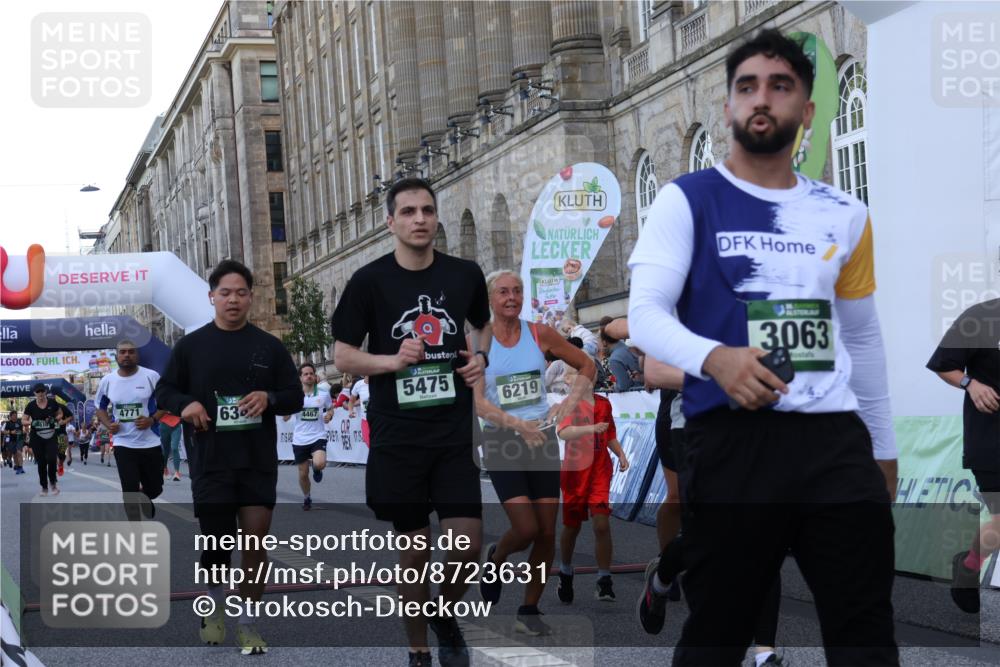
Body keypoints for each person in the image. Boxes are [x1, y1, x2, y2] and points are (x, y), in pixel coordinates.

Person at [627, 30, 898, 665]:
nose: (761, 98)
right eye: (746, 86)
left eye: (780, 86)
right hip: (734, 443)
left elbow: (861, 334)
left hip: (835, 443)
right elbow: (645, 316)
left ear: (806, 110)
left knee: (865, 630)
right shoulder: (687, 200)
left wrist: (882, 449)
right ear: (727, 107)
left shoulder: (845, 213)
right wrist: (716, 359)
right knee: (720, 628)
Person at [332, 177, 491, 667]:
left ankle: (443, 611)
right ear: (390, 222)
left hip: (452, 432)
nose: (419, 219)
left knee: (466, 543)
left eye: (426, 210)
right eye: (408, 212)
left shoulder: (465, 274)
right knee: (415, 553)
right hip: (398, 435)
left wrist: (479, 356)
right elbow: (342, 355)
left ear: (436, 216)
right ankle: (419, 650)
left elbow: (480, 325)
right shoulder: (368, 281)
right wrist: (391, 362)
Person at [155, 259, 301, 656]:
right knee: (218, 545)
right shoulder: (191, 346)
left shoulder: (268, 346)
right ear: (211, 297)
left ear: (251, 298)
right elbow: (164, 393)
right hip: (211, 460)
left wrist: (268, 397)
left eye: (240, 293)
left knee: (255, 542)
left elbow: (295, 394)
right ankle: (214, 602)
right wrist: (186, 405)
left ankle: (249, 623)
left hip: (255, 460)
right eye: (225, 293)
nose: (233, 300)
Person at [473, 269, 596, 635]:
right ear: (490, 299)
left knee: (546, 533)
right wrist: (519, 426)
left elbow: (588, 364)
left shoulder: (540, 334)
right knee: (524, 528)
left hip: (541, 439)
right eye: (503, 292)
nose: (511, 297)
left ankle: (529, 610)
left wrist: (568, 403)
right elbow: (479, 404)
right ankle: (496, 556)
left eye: (517, 291)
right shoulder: (479, 341)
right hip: (503, 440)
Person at [927, 297, 1000, 614]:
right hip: (991, 438)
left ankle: (968, 563)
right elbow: (944, 364)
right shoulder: (982, 317)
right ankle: (969, 566)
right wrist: (971, 384)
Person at [556, 365, 629, 603]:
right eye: (580, 371)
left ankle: (604, 579)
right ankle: (565, 571)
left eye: (591, 371)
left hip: (599, 469)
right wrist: (590, 428)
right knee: (572, 527)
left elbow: (609, 435)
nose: (588, 375)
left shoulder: (604, 404)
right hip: (575, 472)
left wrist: (620, 454)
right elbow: (563, 433)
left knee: (601, 523)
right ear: (570, 379)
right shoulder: (569, 403)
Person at [95, 339, 166, 522]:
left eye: (131, 352)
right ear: (117, 356)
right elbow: (100, 407)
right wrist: (109, 425)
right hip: (123, 443)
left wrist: (152, 419)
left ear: (137, 355)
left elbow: (165, 403)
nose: (127, 355)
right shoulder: (108, 381)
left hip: (151, 441)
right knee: (129, 489)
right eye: (123, 352)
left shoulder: (151, 376)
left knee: (156, 488)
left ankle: (145, 496)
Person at [284, 362, 334, 510]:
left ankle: (317, 468)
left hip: (318, 436)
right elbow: (286, 416)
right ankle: (307, 497)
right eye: (305, 374)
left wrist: (329, 416)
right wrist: (285, 412)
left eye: (311, 373)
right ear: (300, 378)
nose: (309, 376)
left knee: (319, 463)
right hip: (299, 439)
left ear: (315, 376)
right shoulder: (295, 396)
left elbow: (330, 409)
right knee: (303, 473)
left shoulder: (324, 394)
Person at [22, 385, 62, 496]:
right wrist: (32, 422)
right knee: (42, 463)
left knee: (52, 459)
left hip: (51, 436)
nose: (40, 393)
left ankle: (53, 484)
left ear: (45, 392)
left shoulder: (52, 403)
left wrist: (55, 418)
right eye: (38, 392)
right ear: (34, 393)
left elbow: (60, 414)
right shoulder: (31, 406)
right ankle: (44, 487)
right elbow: (23, 420)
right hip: (37, 438)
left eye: (42, 391)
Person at [347, 375, 371, 447]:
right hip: (365, 420)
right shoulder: (359, 384)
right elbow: (351, 401)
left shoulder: (381, 382)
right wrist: (350, 411)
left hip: (379, 419)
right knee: (369, 444)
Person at [160, 411, 184, 481]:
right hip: (164, 424)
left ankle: (177, 472)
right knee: (165, 450)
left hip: (176, 424)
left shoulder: (178, 399)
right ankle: (165, 469)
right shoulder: (161, 400)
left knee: (174, 448)